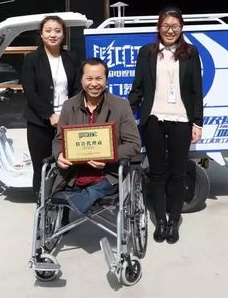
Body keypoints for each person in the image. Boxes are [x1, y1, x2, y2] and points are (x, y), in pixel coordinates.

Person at [128, 7, 203, 244]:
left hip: (181, 120)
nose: (170, 31)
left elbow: (196, 90)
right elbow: (138, 87)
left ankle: (174, 222)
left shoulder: (190, 53)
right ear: (159, 27)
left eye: (175, 26)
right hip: (154, 120)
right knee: (157, 173)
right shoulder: (147, 52)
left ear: (181, 28)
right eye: (166, 26)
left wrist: (197, 122)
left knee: (178, 173)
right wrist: (125, 113)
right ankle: (160, 220)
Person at [51, 58, 141, 215]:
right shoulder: (69, 106)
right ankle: (82, 199)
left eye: (99, 78)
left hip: (107, 175)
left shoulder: (121, 106)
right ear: (81, 80)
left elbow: (134, 144)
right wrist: (59, 155)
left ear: (106, 79)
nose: (94, 84)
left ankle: (80, 201)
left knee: (102, 187)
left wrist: (108, 157)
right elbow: (58, 140)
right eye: (89, 79)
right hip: (74, 174)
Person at [21, 15, 81, 204]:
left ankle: (63, 209)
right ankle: (42, 210)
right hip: (39, 123)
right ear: (41, 34)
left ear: (63, 35)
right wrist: (49, 114)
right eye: (48, 31)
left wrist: (68, 114)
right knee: (42, 167)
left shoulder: (71, 57)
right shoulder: (32, 59)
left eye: (57, 31)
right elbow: (30, 92)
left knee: (67, 165)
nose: (52, 35)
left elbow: (77, 89)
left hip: (67, 122)